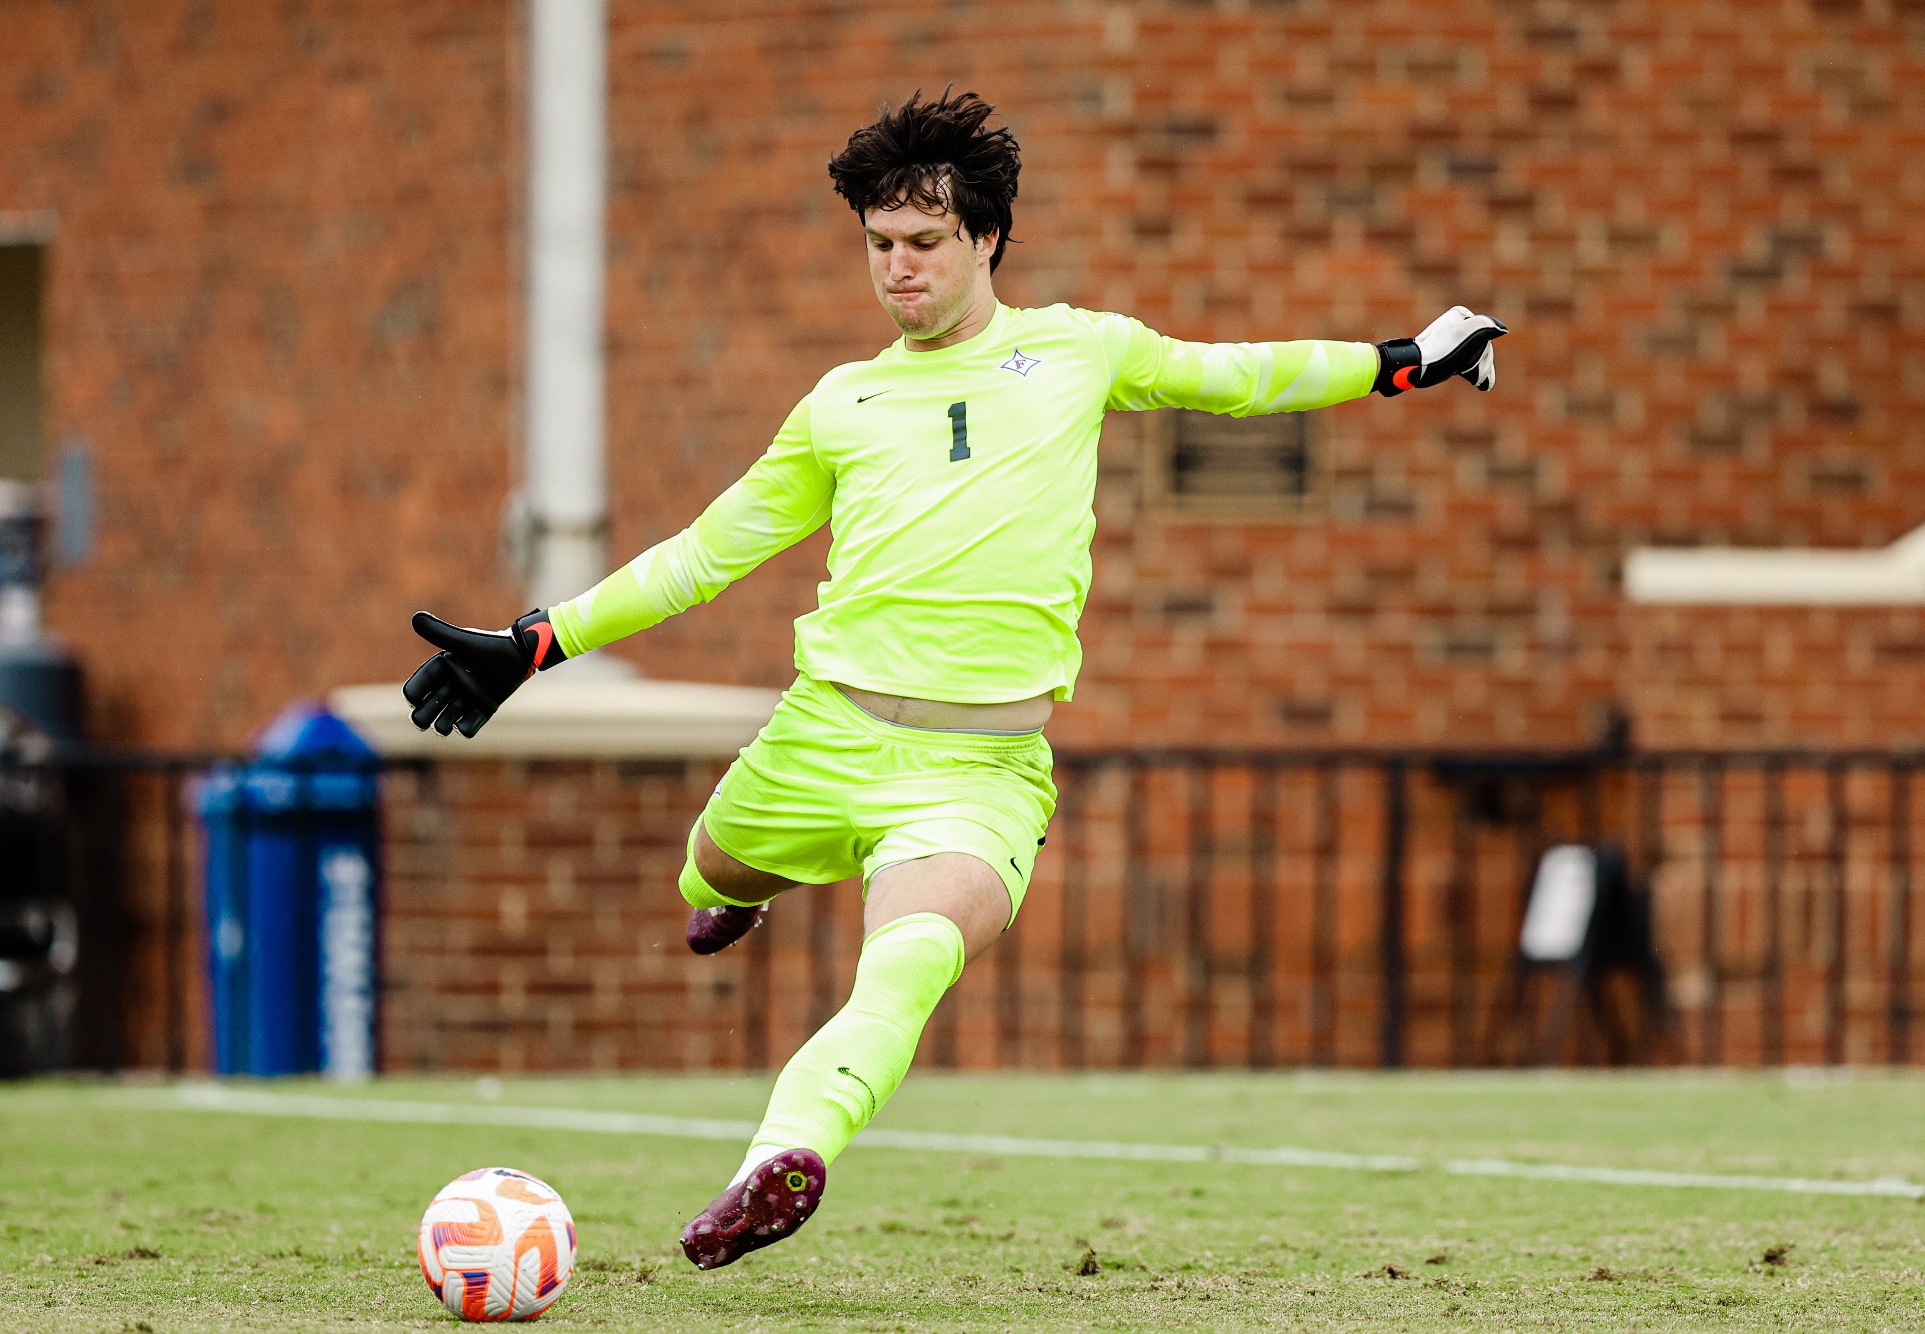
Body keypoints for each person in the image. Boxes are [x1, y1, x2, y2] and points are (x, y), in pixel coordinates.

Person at [401, 88, 1505, 1270]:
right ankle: (736, 887)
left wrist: (1406, 362)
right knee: (712, 861)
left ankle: (775, 1161)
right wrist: (536, 642)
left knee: (905, 962)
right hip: (822, 734)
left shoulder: (1078, 349)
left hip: (978, 768)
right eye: (878, 245)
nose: (897, 269)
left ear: (986, 238)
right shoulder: (843, 403)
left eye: (922, 243)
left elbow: (1238, 374)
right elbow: (704, 553)